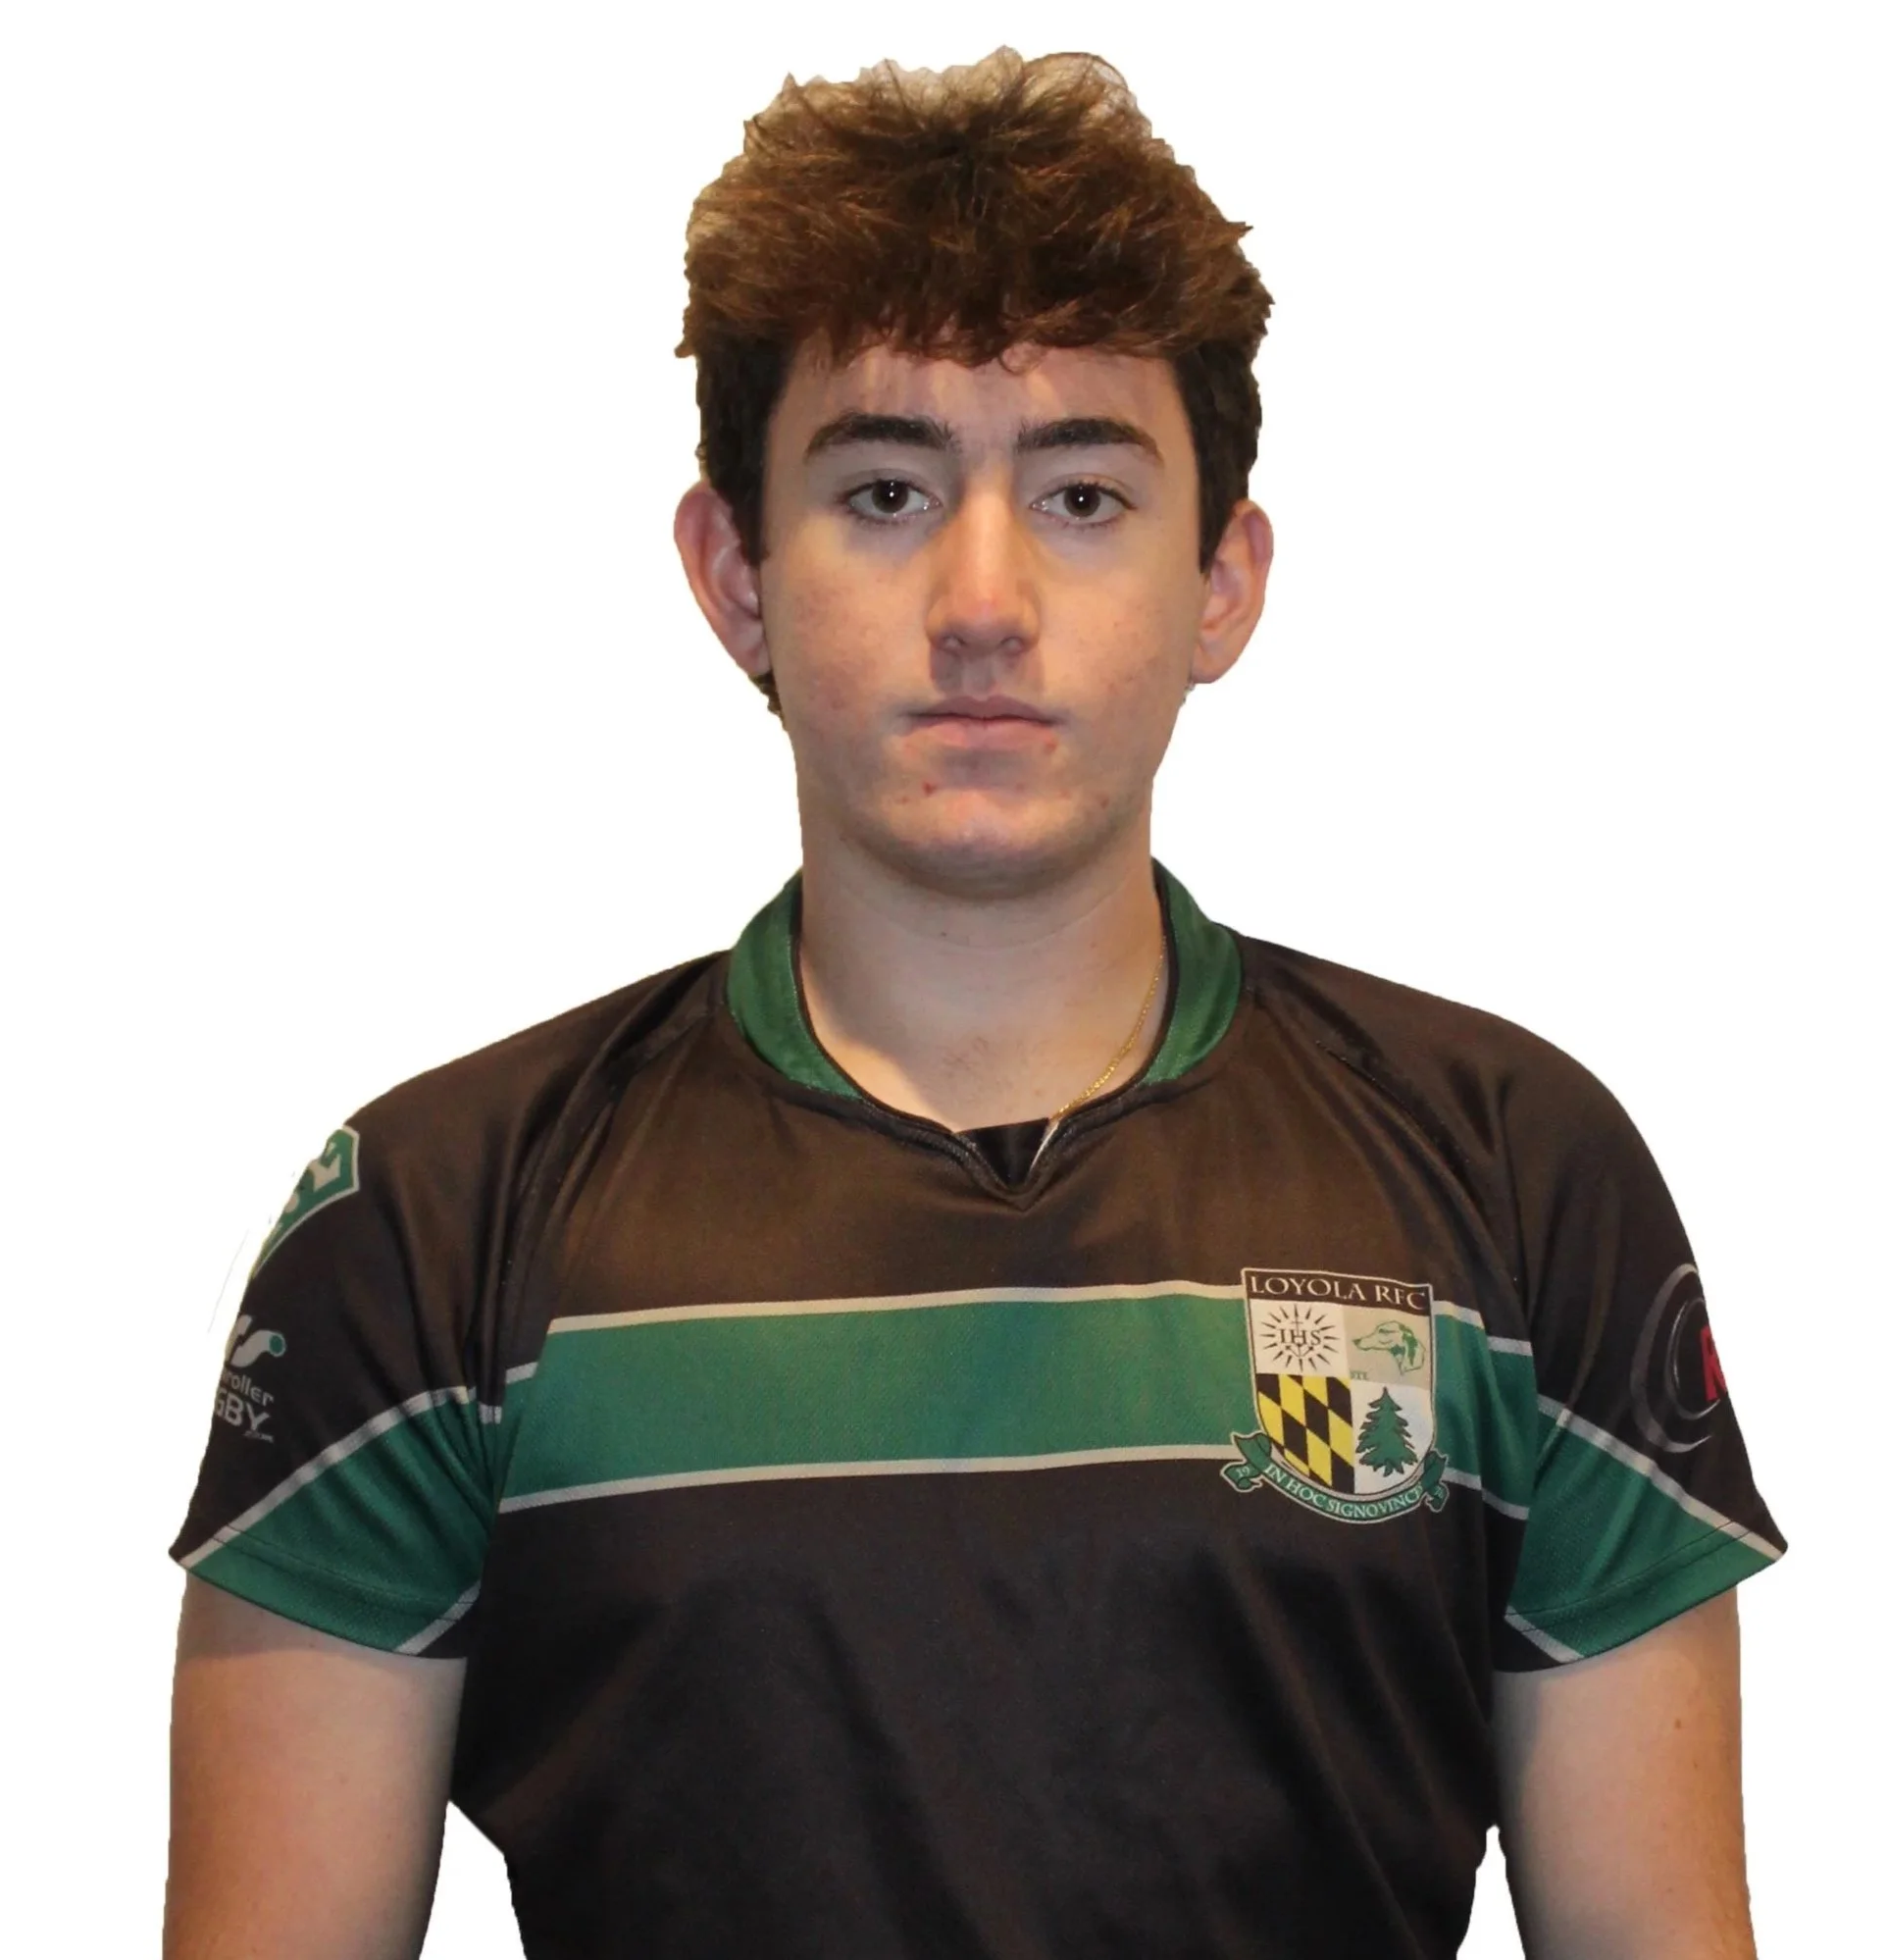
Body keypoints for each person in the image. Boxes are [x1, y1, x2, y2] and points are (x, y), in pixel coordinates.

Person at [164, 48, 1783, 1960]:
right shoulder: (431, 1222)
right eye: (882, 490)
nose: (986, 596)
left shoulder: (1519, 1176)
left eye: (1087, 492)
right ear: (735, 575)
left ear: (1223, 583)